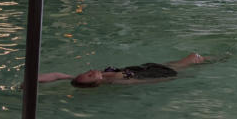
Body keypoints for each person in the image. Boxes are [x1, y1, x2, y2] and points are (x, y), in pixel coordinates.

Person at [38, 52, 206, 88]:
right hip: (160, 72)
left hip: (148, 66)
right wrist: (172, 79)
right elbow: (142, 81)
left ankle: (211, 60)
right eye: (90, 75)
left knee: (193, 59)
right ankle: (220, 58)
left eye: (87, 72)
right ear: (96, 83)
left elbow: (56, 75)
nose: (91, 70)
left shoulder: (99, 76)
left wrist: (32, 80)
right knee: (194, 57)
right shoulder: (113, 80)